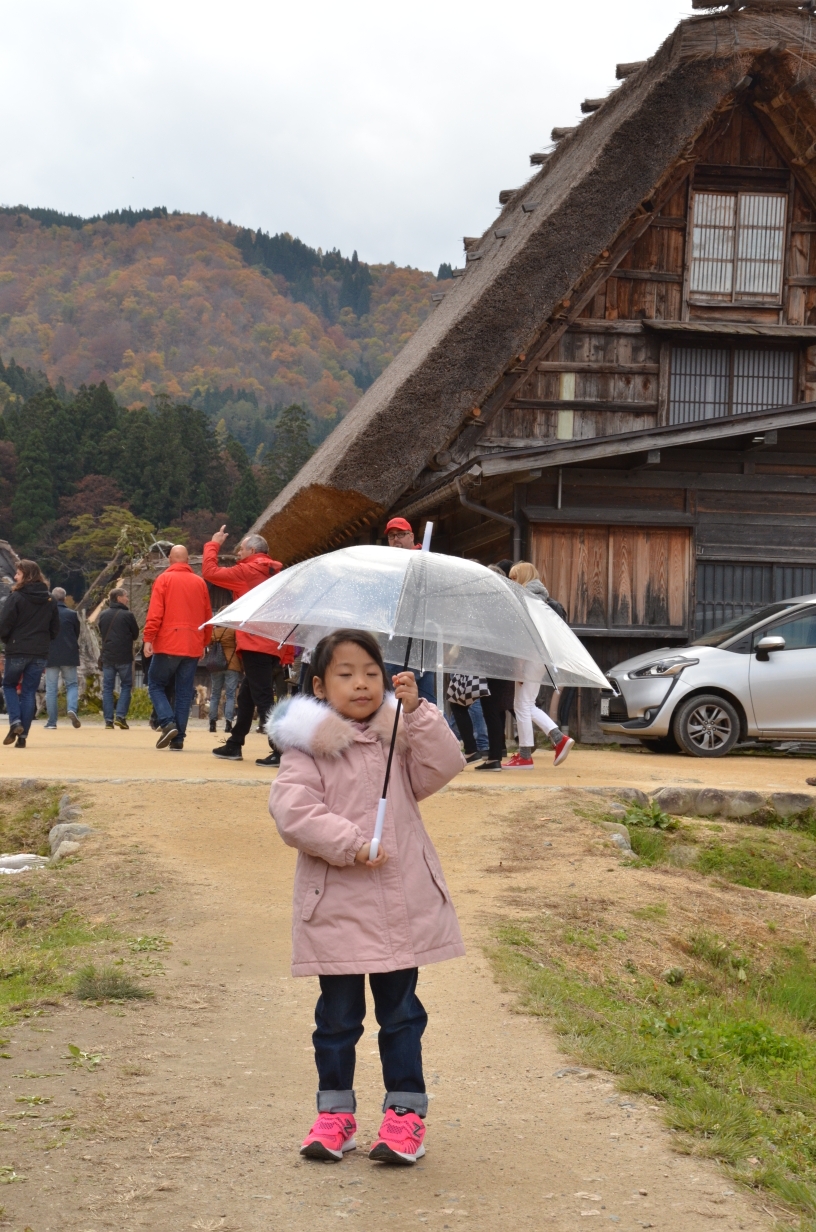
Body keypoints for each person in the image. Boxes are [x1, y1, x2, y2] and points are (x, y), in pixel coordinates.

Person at [268, 629, 465, 1165]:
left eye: (372, 674)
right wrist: (353, 845)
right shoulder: (306, 749)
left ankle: (405, 1117)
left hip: (399, 907)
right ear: (319, 684)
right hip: (336, 906)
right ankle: (335, 1115)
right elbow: (293, 813)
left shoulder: (397, 736)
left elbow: (443, 767)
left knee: (401, 1015)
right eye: (346, 674)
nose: (361, 684)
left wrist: (417, 712)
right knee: (337, 1019)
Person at [202, 527, 293, 766]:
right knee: (247, 696)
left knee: (262, 698)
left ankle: (280, 749)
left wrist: (214, 544)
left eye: (241, 549)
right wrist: (287, 650)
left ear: (252, 550)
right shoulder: (278, 574)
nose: (238, 553)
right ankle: (234, 744)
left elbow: (210, 572)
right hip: (272, 642)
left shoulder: (247, 570)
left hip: (254, 642)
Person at [502, 561, 574, 769]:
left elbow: (524, 636)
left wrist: (518, 666)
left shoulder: (525, 599)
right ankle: (556, 739)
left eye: (514, 577)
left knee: (522, 705)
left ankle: (528, 755)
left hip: (529, 655)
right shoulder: (542, 598)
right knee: (527, 704)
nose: (511, 581)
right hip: (542, 656)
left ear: (523, 578)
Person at [143, 545, 212, 751]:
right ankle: (178, 738)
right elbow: (208, 617)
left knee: (155, 683)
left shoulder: (163, 580)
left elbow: (155, 613)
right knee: (184, 692)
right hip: (192, 644)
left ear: (170, 560)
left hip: (168, 642)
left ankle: (167, 722)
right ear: (188, 560)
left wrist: (148, 638)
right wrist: (203, 643)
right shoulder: (200, 583)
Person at [0, 560, 60, 749]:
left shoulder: (16, 597)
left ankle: (15, 721)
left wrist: (7, 639)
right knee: (28, 692)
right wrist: (44, 640)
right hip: (39, 651)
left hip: (17, 648)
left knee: (9, 685)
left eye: (18, 573)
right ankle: (23, 735)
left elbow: (4, 623)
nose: (15, 577)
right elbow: (55, 628)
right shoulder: (49, 599)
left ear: (25, 574)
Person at [382, 517, 436, 705]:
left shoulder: (425, 561)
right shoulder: (388, 566)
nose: (396, 540)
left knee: (399, 700)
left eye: (401, 535)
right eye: (391, 536)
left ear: (411, 536)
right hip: (396, 639)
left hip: (419, 641)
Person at [98, 587, 140, 730]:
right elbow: (135, 634)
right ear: (119, 598)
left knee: (107, 688)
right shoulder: (128, 615)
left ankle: (108, 720)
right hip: (124, 656)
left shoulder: (103, 615)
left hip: (108, 656)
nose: (127, 599)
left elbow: (101, 633)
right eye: (125, 596)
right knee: (126, 686)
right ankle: (120, 717)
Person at [44, 587, 81, 730]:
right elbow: (76, 632)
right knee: (71, 684)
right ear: (64, 599)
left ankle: (52, 722)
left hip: (50, 654)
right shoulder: (72, 614)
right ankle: (72, 708)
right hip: (68, 653)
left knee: (51, 689)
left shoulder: (46, 614)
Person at [207, 625, 243, 733]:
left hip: (216, 665)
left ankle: (212, 723)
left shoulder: (214, 632)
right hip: (232, 664)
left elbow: (208, 644)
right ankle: (228, 723)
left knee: (215, 694)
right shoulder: (234, 631)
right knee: (230, 695)